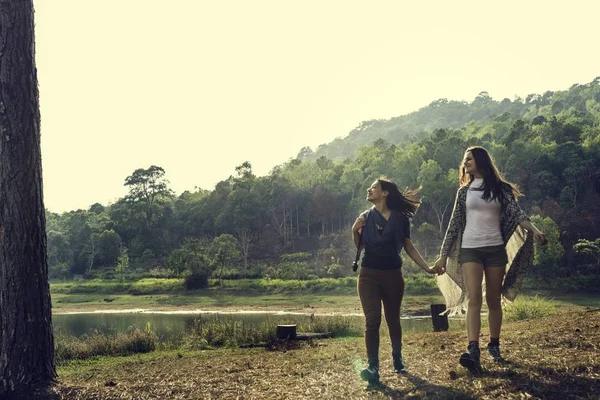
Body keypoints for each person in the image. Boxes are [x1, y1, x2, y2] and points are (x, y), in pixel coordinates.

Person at [434, 146, 547, 374]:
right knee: (474, 298)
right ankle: (473, 349)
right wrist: (443, 255)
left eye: (469, 159)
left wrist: (534, 230)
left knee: (493, 300)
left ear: (481, 161)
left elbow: (516, 214)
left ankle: (494, 345)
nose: (465, 163)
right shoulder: (464, 192)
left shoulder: (500, 189)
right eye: (464, 160)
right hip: (470, 250)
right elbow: (454, 225)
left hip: (495, 250)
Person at [352, 177, 441, 384]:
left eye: (373, 187)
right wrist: (353, 230)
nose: (369, 189)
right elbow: (361, 246)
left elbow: (408, 247)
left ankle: (397, 359)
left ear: (385, 193)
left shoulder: (401, 219)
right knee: (372, 321)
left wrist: (427, 268)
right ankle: (373, 367)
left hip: (393, 275)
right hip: (368, 275)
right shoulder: (365, 217)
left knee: (393, 319)